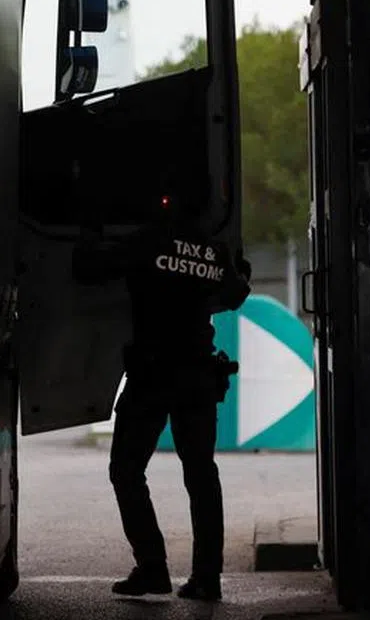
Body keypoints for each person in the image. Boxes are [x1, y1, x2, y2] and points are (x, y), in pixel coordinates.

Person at [72, 169, 251, 603]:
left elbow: (87, 269)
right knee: (201, 475)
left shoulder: (146, 243)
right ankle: (207, 578)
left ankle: (152, 568)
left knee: (127, 470)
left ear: (161, 204)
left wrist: (90, 230)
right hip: (196, 377)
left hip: (152, 377)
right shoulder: (212, 251)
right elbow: (235, 293)